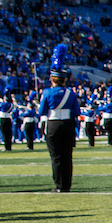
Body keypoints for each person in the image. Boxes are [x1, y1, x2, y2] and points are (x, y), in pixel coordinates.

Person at [38, 46, 78, 192]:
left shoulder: (47, 92)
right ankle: (67, 185)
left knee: (56, 157)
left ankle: (59, 185)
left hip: (53, 124)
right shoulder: (70, 93)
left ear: (52, 79)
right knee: (67, 156)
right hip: (68, 124)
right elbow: (76, 111)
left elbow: (42, 111)